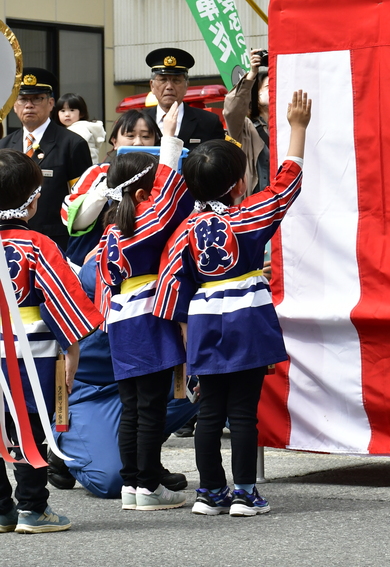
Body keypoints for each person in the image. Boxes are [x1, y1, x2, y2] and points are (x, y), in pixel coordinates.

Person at [154, 90, 312, 517]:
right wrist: (298, 128)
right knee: (243, 413)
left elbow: (171, 290)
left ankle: (210, 493)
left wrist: (185, 351)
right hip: (247, 316)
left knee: (209, 414)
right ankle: (245, 493)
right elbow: (286, 185)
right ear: (239, 184)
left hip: (204, 321)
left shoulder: (183, 230)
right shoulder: (248, 216)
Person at [96, 102, 194, 512]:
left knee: (132, 407)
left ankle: (132, 486)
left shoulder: (111, 233)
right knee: (151, 406)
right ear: (141, 193)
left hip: (119, 321)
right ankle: (148, 486)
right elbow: (168, 196)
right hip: (146, 319)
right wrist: (169, 139)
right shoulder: (143, 227)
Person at [0, 150, 103, 533]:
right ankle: (33, 509)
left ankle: (1, 509)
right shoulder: (38, 244)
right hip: (32, 352)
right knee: (31, 425)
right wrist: (72, 350)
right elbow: (64, 300)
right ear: (31, 200)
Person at [48, 254, 197, 499]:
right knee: (111, 481)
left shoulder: (177, 252)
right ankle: (64, 448)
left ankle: (145, 461)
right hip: (91, 391)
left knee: (208, 382)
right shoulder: (107, 258)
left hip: (143, 379)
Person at [0, 69, 92, 252]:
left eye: (37, 99)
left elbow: (83, 202)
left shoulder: (72, 144)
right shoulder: (5, 145)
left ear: (51, 103)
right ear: (14, 105)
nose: (29, 105)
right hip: (9, 243)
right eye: (23, 99)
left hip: (55, 244)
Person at [61, 109, 163, 267]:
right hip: (88, 267)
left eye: (146, 136)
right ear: (114, 141)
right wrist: (105, 188)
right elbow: (72, 221)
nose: (138, 142)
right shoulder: (98, 172)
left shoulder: (162, 177)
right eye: (130, 135)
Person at [146, 48, 224, 151]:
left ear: (186, 86)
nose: (169, 86)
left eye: (176, 80)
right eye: (163, 80)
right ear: (152, 86)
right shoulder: (140, 121)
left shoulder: (208, 122)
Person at [223, 48, 270, 195]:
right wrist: (252, 74)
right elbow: (232, 110)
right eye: (269, 87)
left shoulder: (288, 126)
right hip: (255, 206)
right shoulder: (245, 128)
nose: (275, 89)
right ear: (257, 94)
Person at [54, 93, 106, 166]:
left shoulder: (79, 129)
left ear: (81, 113)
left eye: (72, 110)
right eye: (62, 111)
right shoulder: (71, 129)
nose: (67, 114)